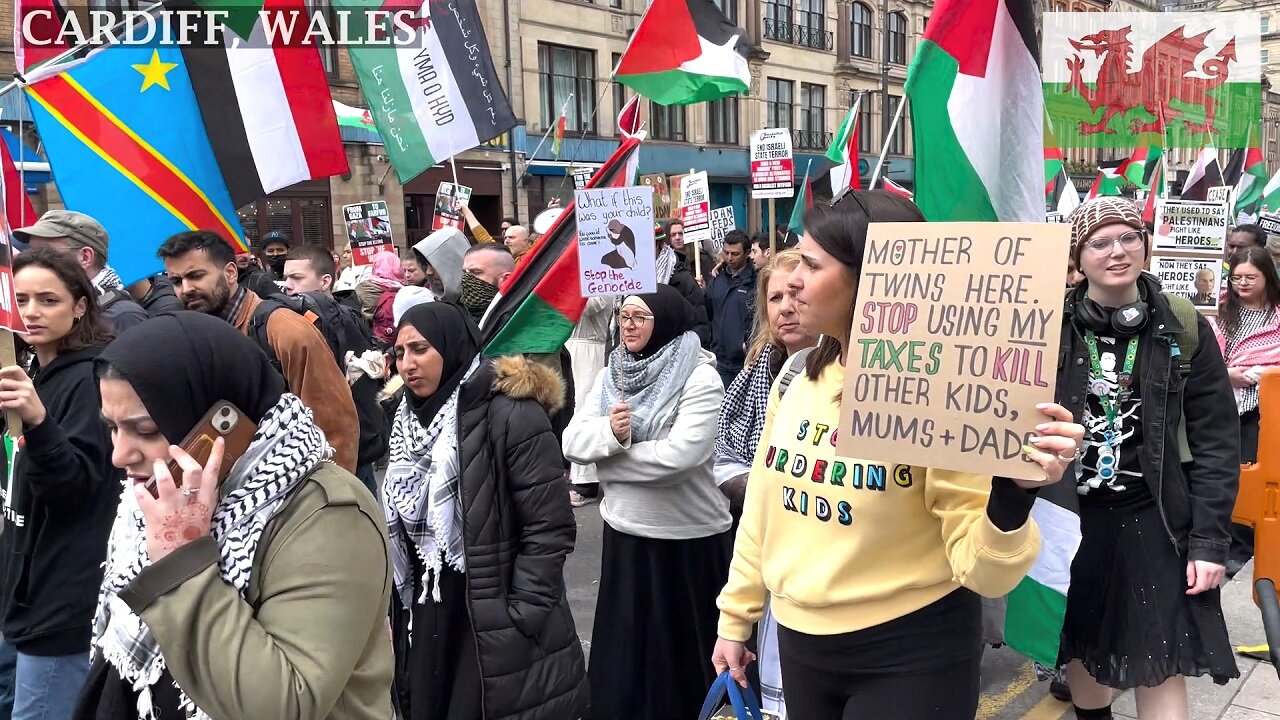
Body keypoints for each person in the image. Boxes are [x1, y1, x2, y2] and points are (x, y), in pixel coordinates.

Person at [712, 191, 1084, 720]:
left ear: (870, 279)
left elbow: (984, 573)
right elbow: (763, 515)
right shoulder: (797, 379)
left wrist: (1013, 495)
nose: (791, 278)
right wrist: (735, 617)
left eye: (812, 265)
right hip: (800, 646)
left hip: (910, 654)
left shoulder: (934, 391)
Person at [79, 312, 393, 719]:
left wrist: (180, 561)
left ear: (219, 427)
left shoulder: (327, 513)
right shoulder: (161, 500)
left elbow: (281, 705)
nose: (120, 454)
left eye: (146, 430)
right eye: (113, 428)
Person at [1057, 197, 1240, 720]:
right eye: (1100, 242)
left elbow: (1217, 439)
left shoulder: (1182, 325)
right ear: (1079, 256)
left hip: (1154, 520)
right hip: (1072, 518)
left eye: (1129, 237)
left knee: (1161, 657)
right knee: (1084, 648)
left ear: (1146, 244)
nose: (1118, 251)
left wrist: (1208, 543)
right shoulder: (1048, 325)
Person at [388, 303, 586, 719]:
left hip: (493, 613)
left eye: (420, 349)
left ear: (452, 346)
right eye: (400, 352)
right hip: (429, 606)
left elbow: (549, 525)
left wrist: (523, 614)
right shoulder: (403, 420)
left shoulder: (511, 413)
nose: (408, 364)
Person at [563, 285, 732, 720]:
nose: (629, 325)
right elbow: (573, 441)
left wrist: (610, 461)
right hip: (628, 537)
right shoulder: (611, 374)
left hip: (687, 542)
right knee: (627, 670)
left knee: (684, 670)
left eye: (640, 316)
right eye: (625, 316)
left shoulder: (699, 376)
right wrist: (611, 437)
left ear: (667, 322)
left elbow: (681, 457)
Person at [0, 249, 119, 720]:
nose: (31, 312)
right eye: (21, 299)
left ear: (79, 305)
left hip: (62, 603)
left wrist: (39, 421)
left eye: (48, 300)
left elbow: (75, 488)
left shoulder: (93, 379)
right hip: (20, 594)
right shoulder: (33, 371)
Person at [157, 230, 360, 473]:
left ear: (230, 273)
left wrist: (328, 501)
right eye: (177, 281)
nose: (186, 289)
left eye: (196, 276)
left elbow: (335, 426)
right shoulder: (197, 337)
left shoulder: (283, 329)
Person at [713, 249, 817, 716]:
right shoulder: (759, 372)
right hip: (773, 562)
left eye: (796, 293)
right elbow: (725, 455)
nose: (785, 307)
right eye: (775, 297)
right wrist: (759, 485)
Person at [283, 245, 390, 497]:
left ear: (325, 281)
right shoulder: (294, 317)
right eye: (286, 277)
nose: (287, 285)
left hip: (351, 444)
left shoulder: (340, 321)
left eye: (297, 278)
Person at [1210, 245, 1280, 577]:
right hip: (1222, 405)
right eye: (1236, 277)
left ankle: (1245, 544)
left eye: (1250, 277)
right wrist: (1228, 376)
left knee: (1254, 476)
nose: (1243, 284)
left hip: (1264, 410)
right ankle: (1224, 541)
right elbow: (1207, 360)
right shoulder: (1220, 312)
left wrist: (1257, 374)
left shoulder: (1278, 316)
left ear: (1267, 276)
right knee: (1223, 473)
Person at [14, 210, 149, 333]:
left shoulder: (123, 316)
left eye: (46, 252)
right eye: (32, 251)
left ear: (85, 257)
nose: (34, 261)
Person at [706, 230, 757, 387]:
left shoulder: (756, 281)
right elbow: (708, 312)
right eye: (726, 253)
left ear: (747, 253)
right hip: (718, 358)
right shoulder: (717, 279)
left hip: (743, 362)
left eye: (735, 254)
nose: (729, 258)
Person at [459, 244, 515, 323]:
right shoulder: (458, 318)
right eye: (465, 273)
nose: (465, 279)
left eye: (476, 272)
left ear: (505, 279)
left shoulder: (515, 321)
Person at [413, 226, 470, 303]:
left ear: (455, 261)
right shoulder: (429, 304)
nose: (428, 272)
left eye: (435, 263)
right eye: (425, 265)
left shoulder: (482, 303)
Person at [667, 219, 714, 286]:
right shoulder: (666, 262)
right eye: (673, 235)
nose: (677, 237)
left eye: (680, 234)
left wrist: (704, 288)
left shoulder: (702, 259)